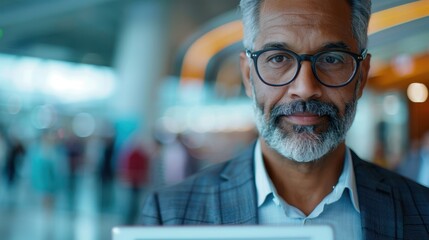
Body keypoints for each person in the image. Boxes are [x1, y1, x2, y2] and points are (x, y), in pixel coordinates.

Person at [139, 0, 429, 239]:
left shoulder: (422, 213)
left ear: (362, 76)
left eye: (331, 59)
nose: (304, 88)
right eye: (278, 58)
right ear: (248, 75)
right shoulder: (170, 216)